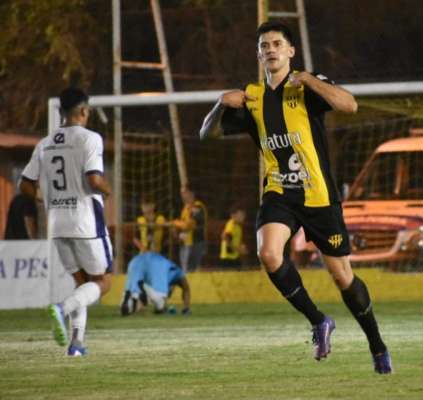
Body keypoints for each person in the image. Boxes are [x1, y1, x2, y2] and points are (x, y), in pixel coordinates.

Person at [199, 21, 391, 374]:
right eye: (264, 46)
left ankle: (377, 345)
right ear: (258, 55)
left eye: (277, 44)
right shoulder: (253, 98)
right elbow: (205, 134)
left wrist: (311, 81)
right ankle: (319, 321)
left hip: (318, 195)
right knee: (269, 254)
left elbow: (349, 105)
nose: (270, 50)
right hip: (279, 193)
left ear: (290, 51)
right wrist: (219, 104)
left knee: (342, 277)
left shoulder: (306, 86)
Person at [20, 87, 113, 356]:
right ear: (83, 110)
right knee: (104, 281)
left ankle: (77, 343)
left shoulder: (44, 143)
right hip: (86, 222)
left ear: (61, 111)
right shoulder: (90, 138)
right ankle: (62, 308)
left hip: (57, 225)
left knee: (82, 283)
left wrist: (44, 198)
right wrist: (107, 191)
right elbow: (94, 180)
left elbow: (24, 184)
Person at [120, 252, 191, 316]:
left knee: (134, 289)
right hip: (157, 263)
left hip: (137, 260)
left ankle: (129, 302)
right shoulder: (177, 272)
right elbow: (186, 288)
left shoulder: (168, 272)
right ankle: (142, 289)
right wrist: (186, 308)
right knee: (160, 305)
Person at [172, 188, 207, 272]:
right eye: (182, 193)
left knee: (193, 270)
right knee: (186, 270)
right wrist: (177, 232)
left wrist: (175, 223)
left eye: (185, 192)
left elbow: (189, 225)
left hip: (195, 243)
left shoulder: (197, 206)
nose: (182, 195)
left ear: (192, 193)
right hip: (185, 243)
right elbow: (182, 226)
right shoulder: (185, 208)